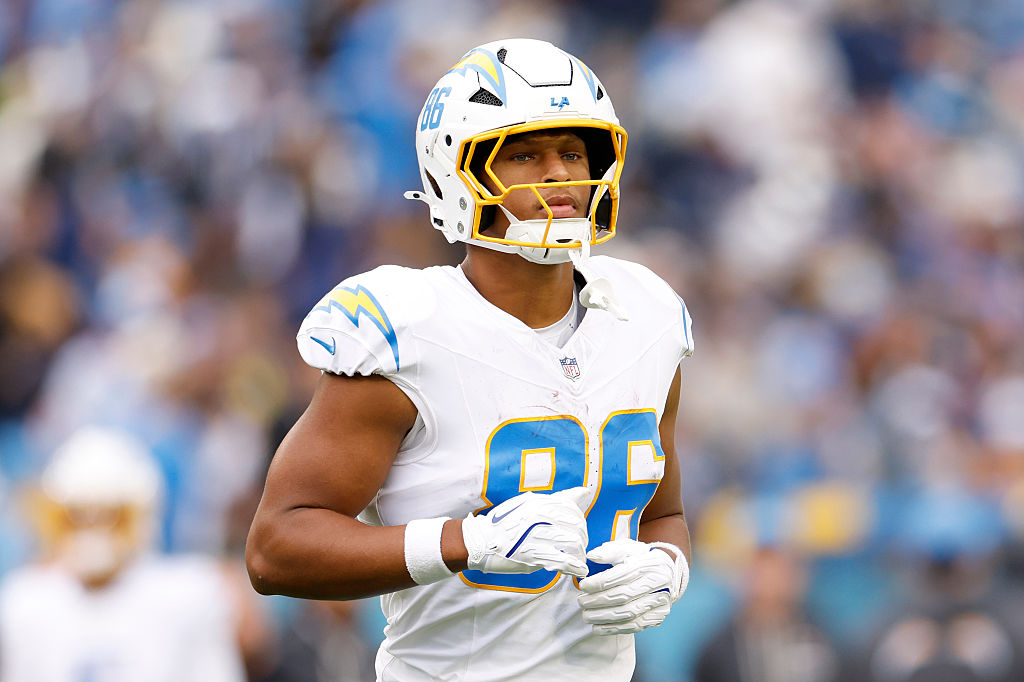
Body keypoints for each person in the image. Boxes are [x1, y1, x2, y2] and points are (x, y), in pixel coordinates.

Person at [246, 38, 695, 681]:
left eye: (572, 152)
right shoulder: (411, 328)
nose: (559, 175)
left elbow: (664, 515)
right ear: (456, 172)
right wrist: (468, 542)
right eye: (525, 154)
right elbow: (276, 548)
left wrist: (666, 570)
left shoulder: (645, 316)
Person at [0, 426, 248, 682]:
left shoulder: (190, 594)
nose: (93, 533)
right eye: (78, 516)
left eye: (109, 516)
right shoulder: (25, 603)